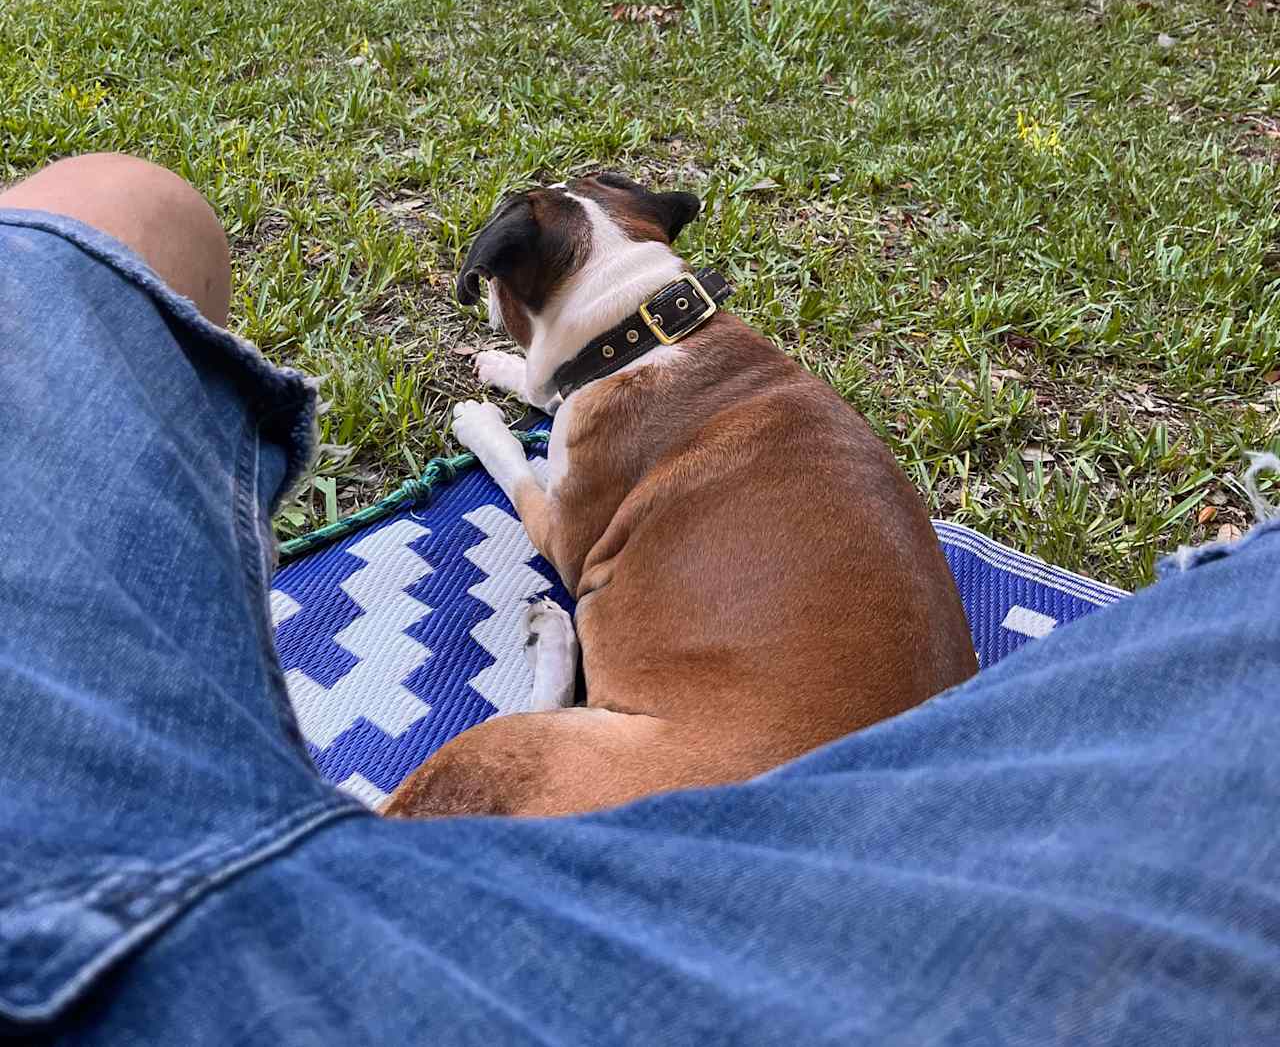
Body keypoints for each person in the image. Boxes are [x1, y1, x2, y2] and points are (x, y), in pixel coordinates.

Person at [0, 152, 1276, 1045]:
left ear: (519, 278)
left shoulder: (609, 437)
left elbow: (563, 536)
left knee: (490, 763)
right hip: (912, 787)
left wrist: (510, 441)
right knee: (123, 208)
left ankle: (374, 834)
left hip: (708, 801)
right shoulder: (759, 386)